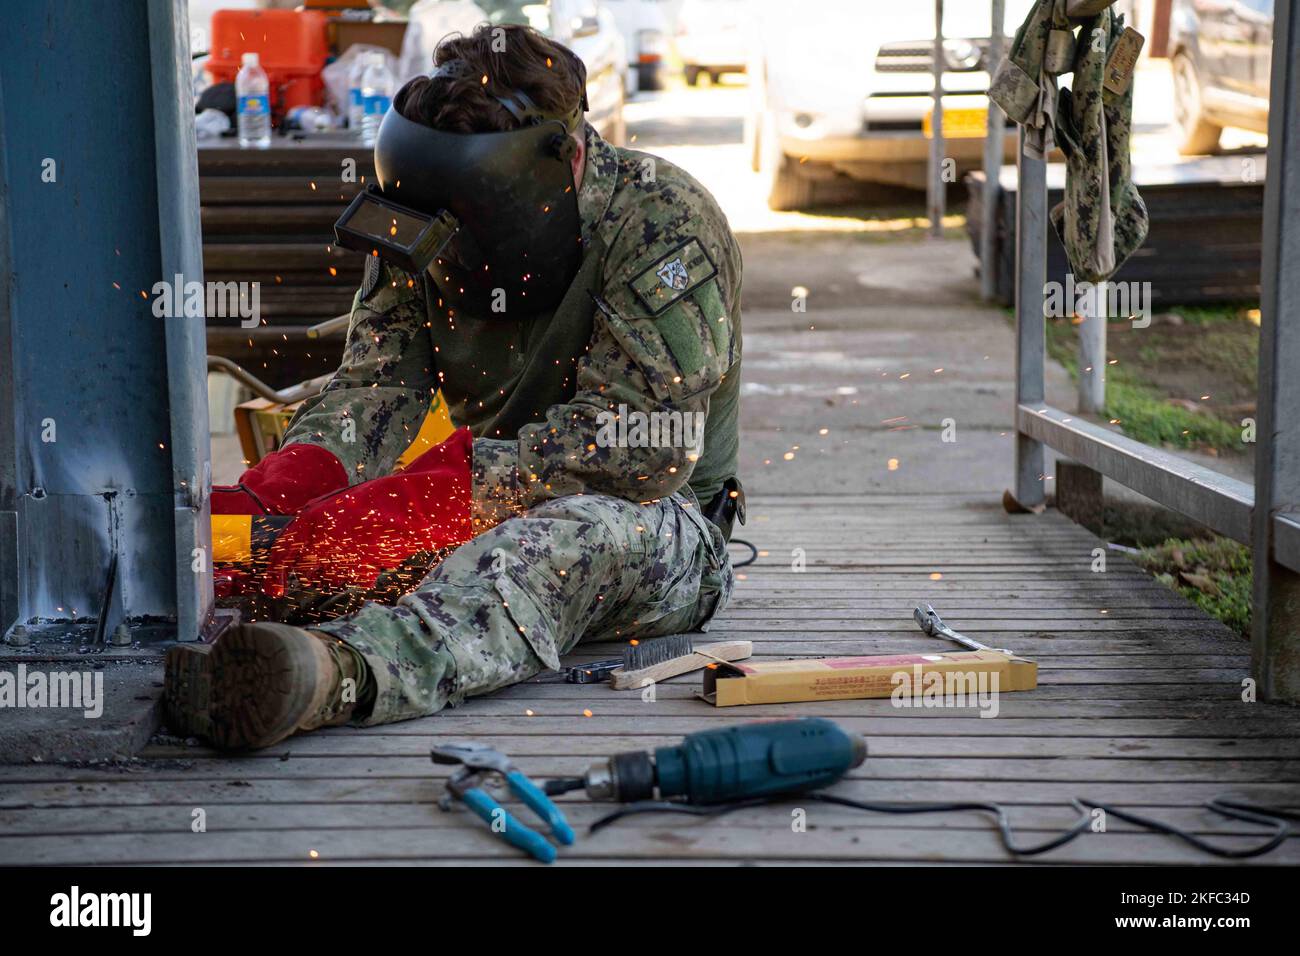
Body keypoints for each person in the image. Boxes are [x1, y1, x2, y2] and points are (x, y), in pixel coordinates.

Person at [166, 23, 744, 751]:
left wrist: (429, 499)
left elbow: (639, 451)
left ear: (564, 161)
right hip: (461, 503)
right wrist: (283, 488)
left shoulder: (659, 218)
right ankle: (207, 626)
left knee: (564, 540)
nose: (454, 238)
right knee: (281, 548)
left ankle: (331, 672)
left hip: (654, 521)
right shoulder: (427, 207)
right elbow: (374, 389)